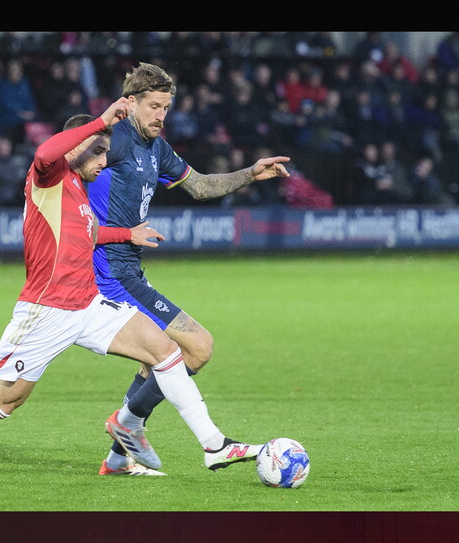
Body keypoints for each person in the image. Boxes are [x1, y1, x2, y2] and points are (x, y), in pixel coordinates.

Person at [0, 97, 262, 484]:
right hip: (46, 309)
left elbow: (89, 234)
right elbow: (44, 150)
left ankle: (214, 445)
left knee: (165, 351)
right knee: (5, 400)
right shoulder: (48, 176)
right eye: (99, 152)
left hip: (88, 304)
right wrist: (102, 120)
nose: (104, 162)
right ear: (79, 144)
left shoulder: (78, 188)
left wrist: (127, 234)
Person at [86, 62, 288, 476]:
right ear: (131, 103)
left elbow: (198, 186)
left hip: (130, 272)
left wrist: (252, 173)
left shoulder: (156, 148)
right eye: (154, 106)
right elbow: (69, 175)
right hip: (109, 275)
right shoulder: (114, 140)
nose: (161, 115)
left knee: (152, 364)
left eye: (166, 107)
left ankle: (118, 458)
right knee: (196, 347)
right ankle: (129, 425)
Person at [0, 136, 30, 208]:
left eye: (7, 144)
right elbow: (7, 178)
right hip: (0, 201)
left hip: (18, 200)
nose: (5, 147)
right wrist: (19, 175)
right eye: (2, 145)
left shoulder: (15, 160)